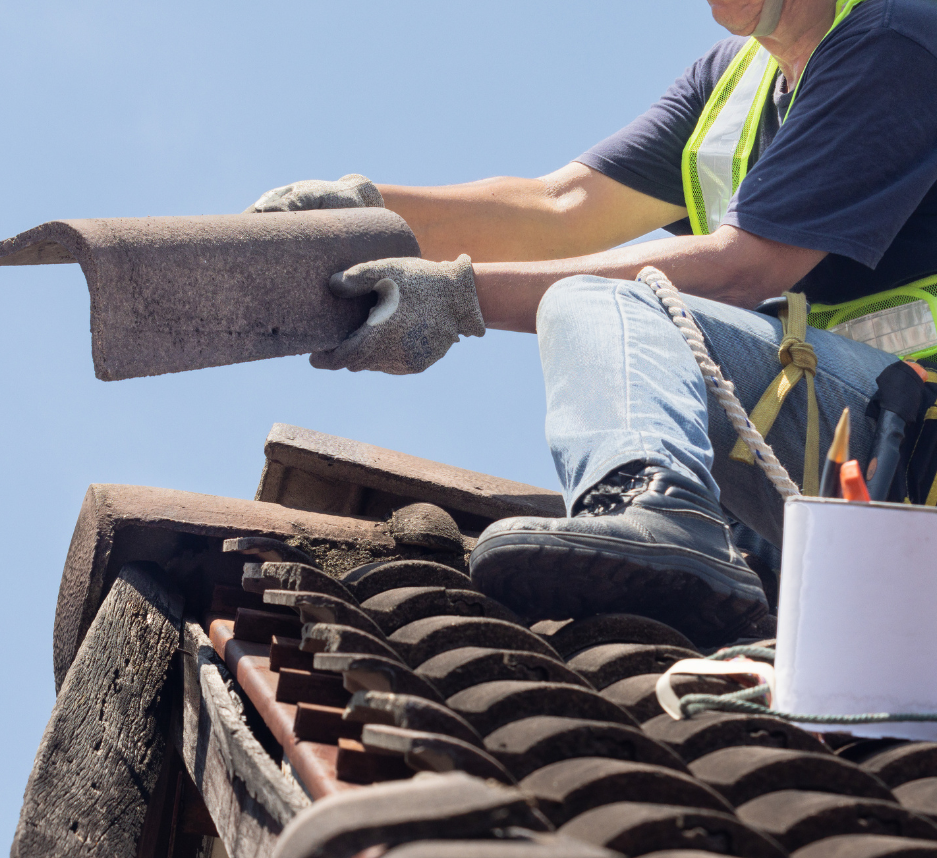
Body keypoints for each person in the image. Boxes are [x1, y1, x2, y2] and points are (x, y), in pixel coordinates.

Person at [245, 0, 937, 644]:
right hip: (851, 454)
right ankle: (694, 548)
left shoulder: (892, 33)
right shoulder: (734, 81)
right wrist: (366, 214)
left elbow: (743, 268)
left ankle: (663, 511)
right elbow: (561, 206)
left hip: (914, 451)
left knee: (606, 300)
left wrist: (457, 298)